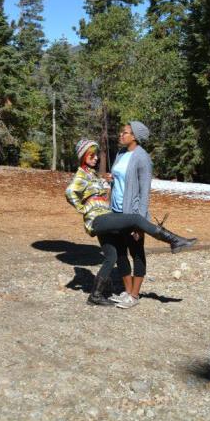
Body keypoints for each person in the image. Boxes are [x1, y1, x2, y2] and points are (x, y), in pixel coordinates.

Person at [65, 138, 197, 307]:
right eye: (92, 155)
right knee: (135, 219)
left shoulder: (91, 174)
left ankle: (95, 296)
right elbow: (70, 192)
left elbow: (94, 190)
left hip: (105, 218)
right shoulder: (81, 174)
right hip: (98, 219)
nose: (96, 158)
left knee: (111, 257)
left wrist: (108, 181)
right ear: (83, 155)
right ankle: (174, 240)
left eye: (96, 154)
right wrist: (83, 209)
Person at [108, 121, 152, 309]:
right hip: (116, 210)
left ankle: (135, 295)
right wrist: (112, 178)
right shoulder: (120, 154)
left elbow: (144, 192)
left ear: (134, 136)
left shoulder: (142, 158)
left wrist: (139, 222)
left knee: (136, 253)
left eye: (124, 132)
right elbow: (120, 178)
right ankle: (127, 291)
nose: (120, 134)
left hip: (132, 214)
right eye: (121, 132)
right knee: (119, 252)